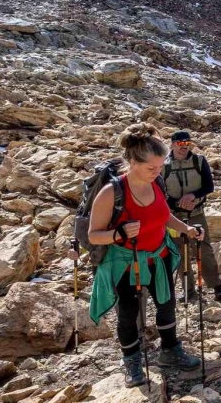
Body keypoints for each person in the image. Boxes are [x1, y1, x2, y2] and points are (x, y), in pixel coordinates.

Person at [87, 122, 205, 386]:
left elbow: (163, 216)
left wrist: (186, 229)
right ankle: (132, 363)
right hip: (126, 264)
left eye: (160, 166)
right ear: (132, 162)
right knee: (128, 315)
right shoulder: (112, 193)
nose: (157, 172)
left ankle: (170, 351)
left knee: (167, 304)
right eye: (151, 168)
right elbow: (94, 235)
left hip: (158, 257)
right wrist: (118, 234)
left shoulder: (157, 183)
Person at [162, 129, 221, 303]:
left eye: (188, 143)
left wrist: (193, 196)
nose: (185, 146)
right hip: (174, 216)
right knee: (179, 253)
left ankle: (216, 286)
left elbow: (209, 186)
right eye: (181, 143)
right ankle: (188, 289)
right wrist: (178, 203)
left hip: (196, 213)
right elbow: (160, 192)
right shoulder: (163, 165)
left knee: (204, 250)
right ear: (173, 144)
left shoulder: (199, 161)